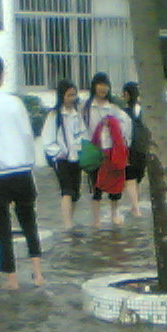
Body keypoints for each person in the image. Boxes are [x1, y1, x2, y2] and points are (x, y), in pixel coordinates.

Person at [0, 53, 43, 289]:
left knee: (2, 227)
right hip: (22, 171)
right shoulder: (16, 103)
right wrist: (29, 164)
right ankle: (38, 273)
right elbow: (27, 135)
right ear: (2, 74)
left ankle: (11, 279)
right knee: (29, 222)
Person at [82, 72, 132, 228]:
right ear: (94, 86)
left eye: (106, 85)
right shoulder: (87, 107)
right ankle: (96, 219)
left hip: (112, 150)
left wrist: (123, 143)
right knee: (96, 185)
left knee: (115, 185)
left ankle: (114, 214)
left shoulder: (113, 107)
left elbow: (126, 124)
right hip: (94, 150)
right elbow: (82, 127)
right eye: (100, 84)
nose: (103, 88)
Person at [41, 78, 86, 232]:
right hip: (61, 159)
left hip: (76, 157)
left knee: (75, 192)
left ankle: (70, 220)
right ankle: (67, 224)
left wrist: (79, 147)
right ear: (62, 96)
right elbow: (47, 139)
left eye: (74, 95)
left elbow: (82, 133)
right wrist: (58, 153)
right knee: (66, 190)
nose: (72, 98)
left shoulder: (76, 114)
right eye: (69, 95)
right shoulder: (54, 115)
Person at [121, 81, 147, 218]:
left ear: (126, 94)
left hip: (130, 148)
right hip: (143, 148)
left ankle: (136, 209)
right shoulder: (143, 109)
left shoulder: (124, 112)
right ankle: (135, 206)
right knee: (138, 178)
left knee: (130, 178)